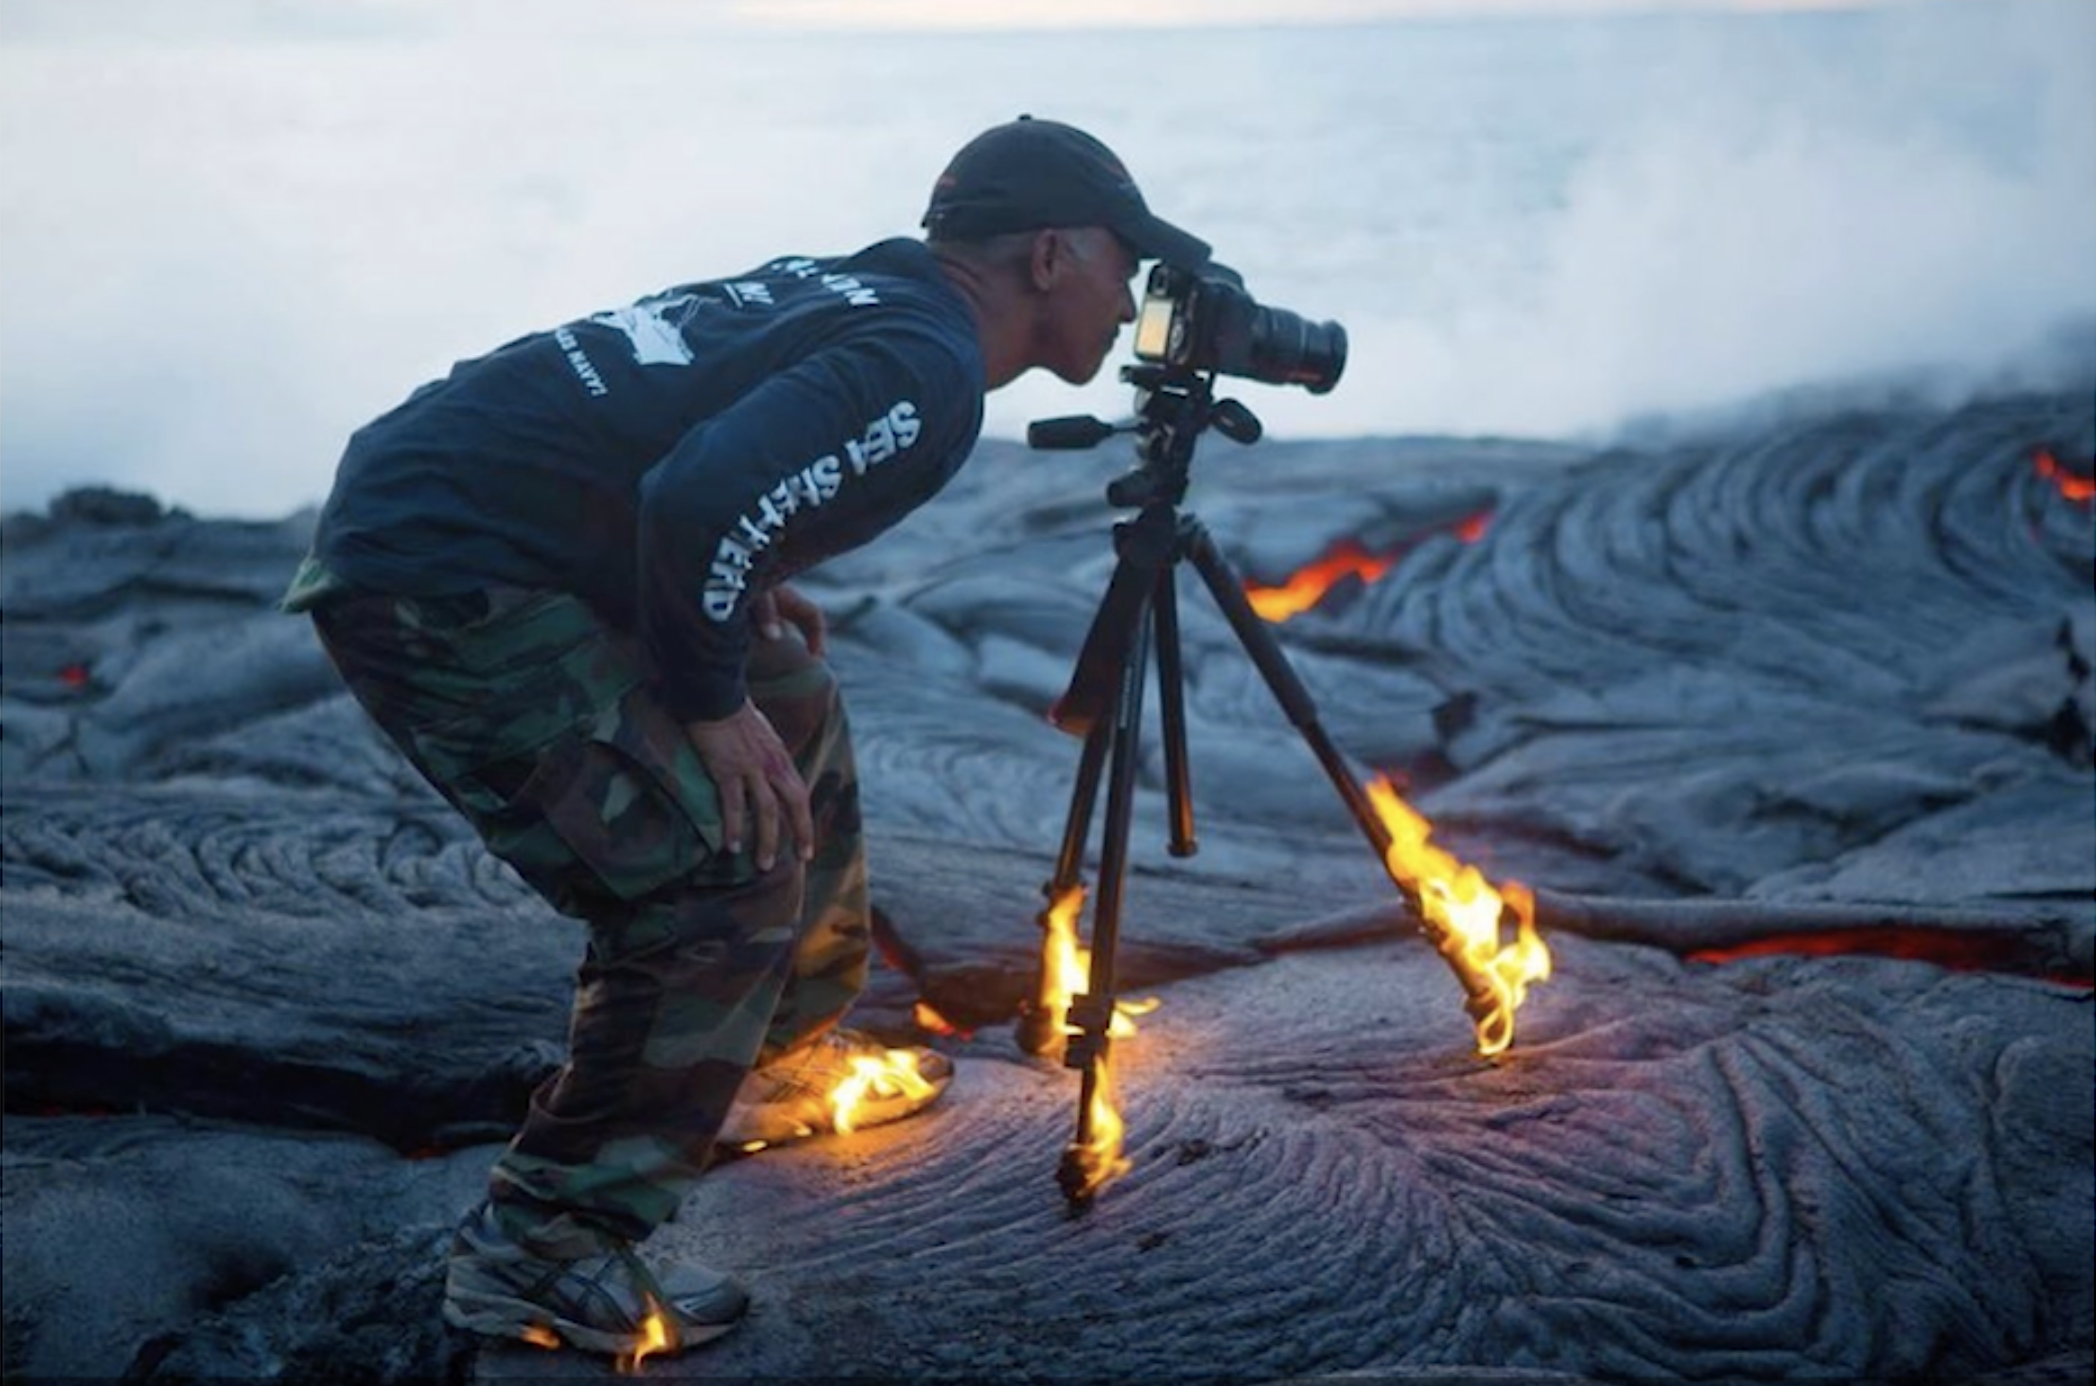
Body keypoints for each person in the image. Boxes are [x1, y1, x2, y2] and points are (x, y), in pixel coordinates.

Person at [281, 115, 1209, 1359]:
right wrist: (706, 699)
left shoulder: (870, 284)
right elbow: (697, 493)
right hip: (442, 576)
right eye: (1121, 257)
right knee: (713, 874)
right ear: (1048, 256)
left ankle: (762, 1056)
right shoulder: (925, 363)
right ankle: (543, 1248)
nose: (1133, 289)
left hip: (486, 518)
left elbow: (687, 438)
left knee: (793, 698)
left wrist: (735, 587)